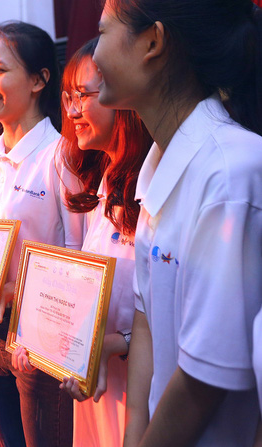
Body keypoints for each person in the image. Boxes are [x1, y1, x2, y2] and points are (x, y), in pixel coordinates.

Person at [93, 1, 262, 445]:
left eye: (104, 32)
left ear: (153, 42)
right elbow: (147, 326)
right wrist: (134, 433)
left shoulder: (229, 172)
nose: (93, 55)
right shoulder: (159, 170)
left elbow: (205, 379)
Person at [11, 38, 151, 446]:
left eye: (84, 95)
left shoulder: (155, 186)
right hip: (93, 377)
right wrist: (40, 335)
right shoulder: (103, 181)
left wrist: (115, 345)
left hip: (140, 384)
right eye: (68, 97)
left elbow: (169, 311)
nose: (72, 110)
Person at [0, 21, 84, 446]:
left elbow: (78, 253)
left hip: (40, 335)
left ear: (38, 79)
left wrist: (16, 290)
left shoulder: (61, 154)